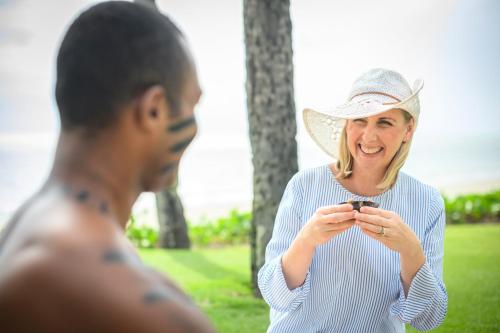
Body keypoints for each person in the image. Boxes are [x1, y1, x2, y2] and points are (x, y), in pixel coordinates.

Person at [0, 2, 215, 332]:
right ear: (154, 109)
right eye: (192, 104)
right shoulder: (127, 301)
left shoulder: (25, 231)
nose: (194, 124)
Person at [258, 68, 447, 332]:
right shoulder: (304, 186)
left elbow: (428, 319)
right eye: (359, 120)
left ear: (408, 129)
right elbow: (276, 296)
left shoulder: (427, 203)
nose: (369, 137)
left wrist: (410, 249)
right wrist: (307, 239)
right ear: (347, 126)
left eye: (384, 122)